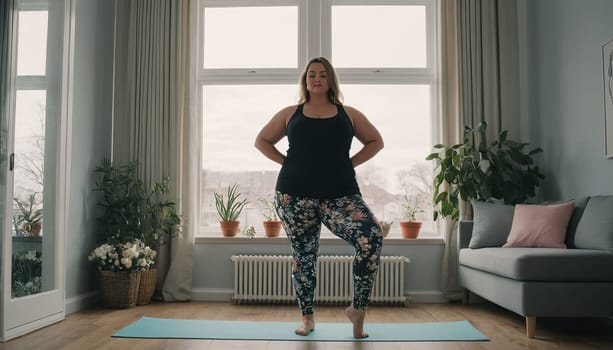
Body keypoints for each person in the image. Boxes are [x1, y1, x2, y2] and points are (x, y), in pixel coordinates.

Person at [254, 57, 384, 339]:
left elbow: (376, 141)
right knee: (304, 257)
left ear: (330, 81)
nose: (316, 79)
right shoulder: (291, 113)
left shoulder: (348, 114)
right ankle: (307, 317)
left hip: (341, 195)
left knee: (371, 238)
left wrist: (350, 163)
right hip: (294, 197)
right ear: (305, 80)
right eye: (311, 74)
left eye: (323, 75)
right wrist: (285, 163)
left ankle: (357, 310)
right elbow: (261, 140)